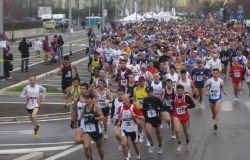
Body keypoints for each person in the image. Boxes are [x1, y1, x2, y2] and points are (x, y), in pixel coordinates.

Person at [117, 94, 144, 160]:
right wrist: (119, 121)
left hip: (133, 129)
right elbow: (120, 117)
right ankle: (127, 158)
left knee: (135, 144)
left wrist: (136, 116)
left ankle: (138, 156)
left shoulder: (134, 108)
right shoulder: (120, 108)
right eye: (123, 99)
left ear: (129, 100)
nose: (124, 101)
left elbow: (143, 118)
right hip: (124, 129)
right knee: (123, 143)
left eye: (125, 99)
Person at [80, 92, 105, 160]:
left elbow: (102, 117)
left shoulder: (96, 107)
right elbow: (81, 117)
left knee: (99, 148)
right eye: (85, 98)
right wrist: (78, 122)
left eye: (88, 98)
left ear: (91, 99)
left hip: (96, 130)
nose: (86, 100)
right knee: (86, 147)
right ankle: (90, 158)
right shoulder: (84, 107)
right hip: (88, 131)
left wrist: (95, 118)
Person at [173, 84, 195, 152]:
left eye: (181, 91)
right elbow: (172, 105)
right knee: (176, 130)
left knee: (186, 132)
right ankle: (179, 144)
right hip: (176, 116)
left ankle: (187, 142)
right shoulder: (174, 97)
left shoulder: (186, 97)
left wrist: (186, 107)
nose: (180, 92)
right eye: (178, 91)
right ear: (176, 91)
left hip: (184, 116)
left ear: (183, 91)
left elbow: (193, 105)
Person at [142, 86, 163, 154]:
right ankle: (151, 144)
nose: (148, 93)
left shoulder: (156, 99)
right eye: (147, 92)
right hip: (148, 119)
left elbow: (162, 107)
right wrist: (144, 115)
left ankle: (160, 146)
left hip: (156, 119)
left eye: (149, 92)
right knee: (148, 133)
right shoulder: (145, 100)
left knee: (158, 133)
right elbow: (143, 109)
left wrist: (158, 110)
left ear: (152, 92)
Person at [133, 76, 147, 142]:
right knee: (138, 123)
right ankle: (141, 133)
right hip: (138, 108)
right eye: (140, 82)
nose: (141, 83)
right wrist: (134, 105)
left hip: (145, 108)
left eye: (142, 81)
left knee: (146, 123)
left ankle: (148, 139)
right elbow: (134, 97)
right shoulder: (135, 89)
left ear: (144, 82)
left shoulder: (147, 88)